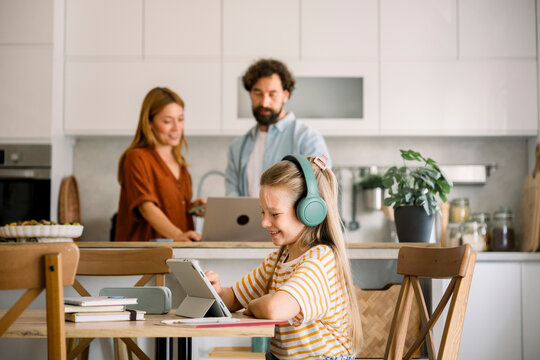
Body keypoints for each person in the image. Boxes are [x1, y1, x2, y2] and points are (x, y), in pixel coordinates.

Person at [206, 155, 362, 359]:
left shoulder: (321, 259)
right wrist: (216, 289)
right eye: (262, 212)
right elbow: (234, 298)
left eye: (274, 214)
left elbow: (273, 309)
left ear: (309, 211)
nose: (264, 222)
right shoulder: (278, 260)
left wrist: (253, 305)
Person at [225, 58, 331, 197]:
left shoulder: (307, 138)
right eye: (258, 93)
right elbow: (232, 196)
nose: (264, 102)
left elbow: (320, 193)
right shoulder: (238, 146)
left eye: (272, 94)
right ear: (250, 94)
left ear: (285, 95)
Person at [115, 87, 205, 242]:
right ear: (149, 122)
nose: (177, 128)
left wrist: (192, 208)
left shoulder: (180, 164)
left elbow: (168, 205)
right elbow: (146, 207)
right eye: (167, 121)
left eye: (181, 119)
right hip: (145, 257)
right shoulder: (136, 158)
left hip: (176, 255)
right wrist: (177, 235)